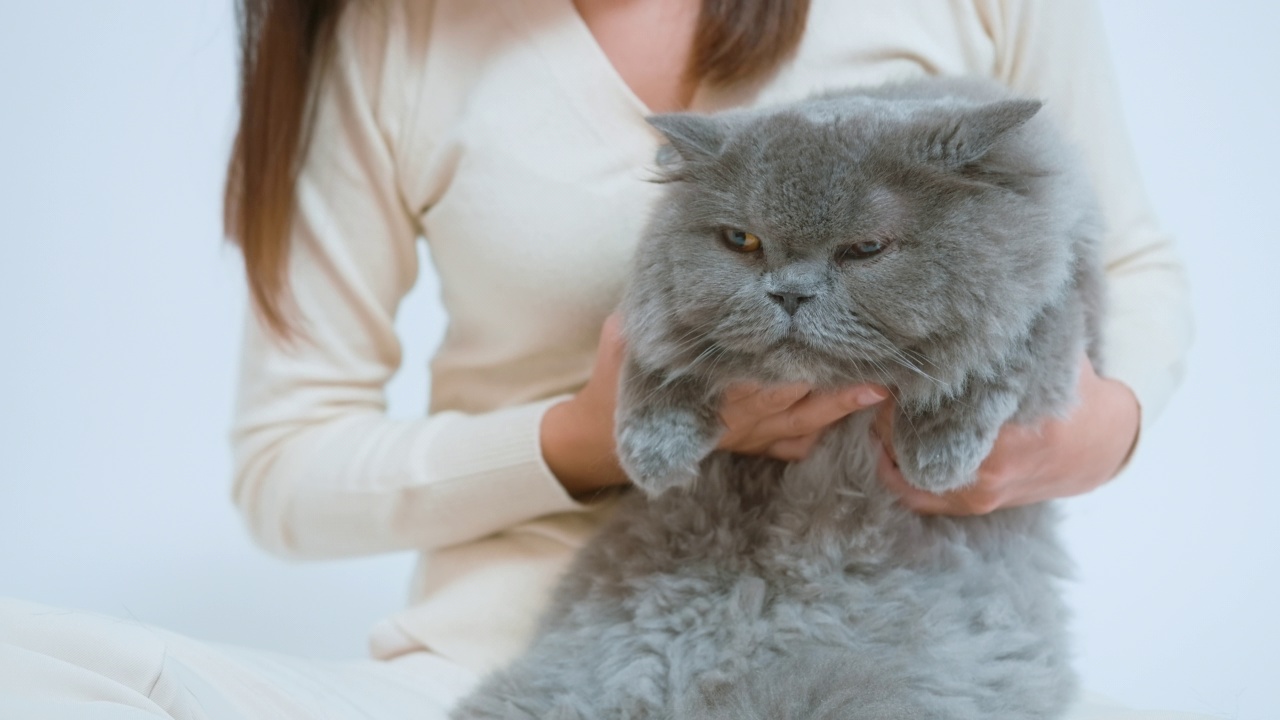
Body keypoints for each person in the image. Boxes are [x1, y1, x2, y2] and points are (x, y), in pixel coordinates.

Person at [1, 0, 1202, 717]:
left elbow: (1130, 258)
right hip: (515, 658)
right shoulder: (392, 31)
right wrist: (580, 438)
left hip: (882, 629)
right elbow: (288, 467)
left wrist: (1098, 426)